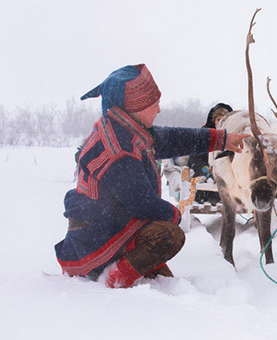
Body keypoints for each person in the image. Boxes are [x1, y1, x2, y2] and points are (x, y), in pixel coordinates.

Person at [54, 64, 248, 288]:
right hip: (95, 241)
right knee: (169, 236)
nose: (158, 110)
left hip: (111, 225)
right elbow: (144, 205)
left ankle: (130, 268)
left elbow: (173, 139)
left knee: (161, 275)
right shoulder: (119, 149)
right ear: (135, 107)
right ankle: (110, 280)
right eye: (154, 104)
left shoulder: (127, 129)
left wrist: (222, 139)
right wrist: (175, 214)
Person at [188, 103, 233, 205]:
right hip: (205, 168)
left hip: (227, 171)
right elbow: (195, 158)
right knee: (202, 182)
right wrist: (206, 169)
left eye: (224, 120)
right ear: (213, 121)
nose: (221, 123)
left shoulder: (234, 137)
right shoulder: (203, 134)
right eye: (218, 120)